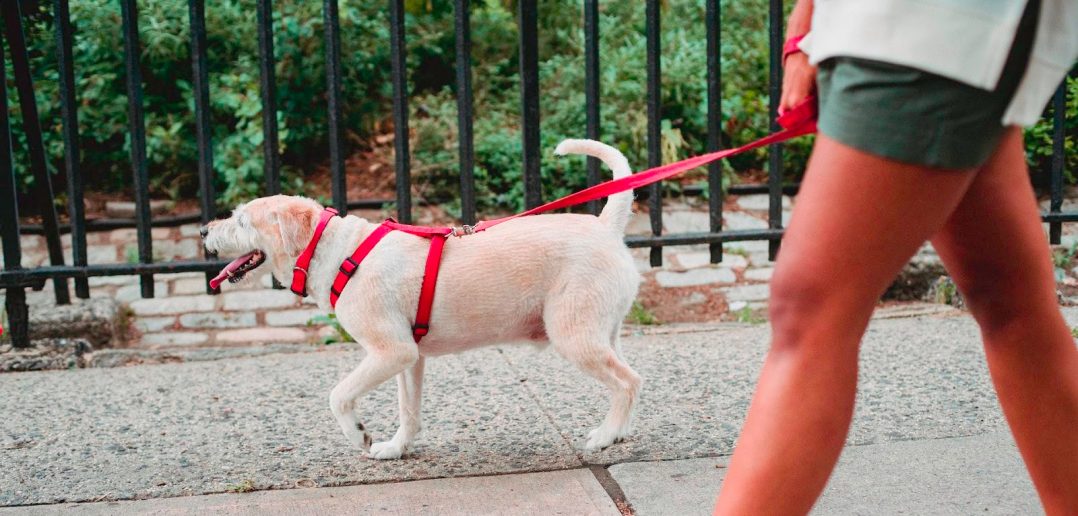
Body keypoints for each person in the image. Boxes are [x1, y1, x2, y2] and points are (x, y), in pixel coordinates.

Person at [713, 0, 1078, 514]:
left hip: (927, 28)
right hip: (873, 25)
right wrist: (806, 22)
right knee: (1011, 306)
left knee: (809, 308)